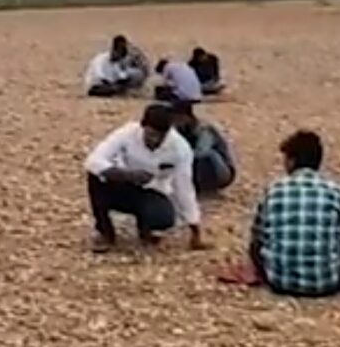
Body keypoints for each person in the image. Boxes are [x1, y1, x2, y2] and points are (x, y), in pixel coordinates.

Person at [249, 131, 340, 297]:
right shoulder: (336, 191)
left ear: (292, 161)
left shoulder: (274, 189)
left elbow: (257, 237)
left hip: (279, 281)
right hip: (326, 283)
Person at [84, 103, 208, 253]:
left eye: (159, 136)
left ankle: (146, 229)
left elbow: (184, 187)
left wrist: (194, 226)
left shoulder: (180, 149)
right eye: (150, 134)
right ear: (142, 126)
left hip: (152, 191)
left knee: (163, 218)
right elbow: (93, 161)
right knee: (96, 176)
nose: (154, 140)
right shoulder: (126, 133)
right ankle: (105, 231)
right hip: (121, 185)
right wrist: (126, 175)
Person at [169, 101, 235, 194]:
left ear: (186, 117)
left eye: (177, 119)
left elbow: (202, 151)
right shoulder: (181, 130)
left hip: (221, 170)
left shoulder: (204, 129)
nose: (175, 122)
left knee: (205, 156)